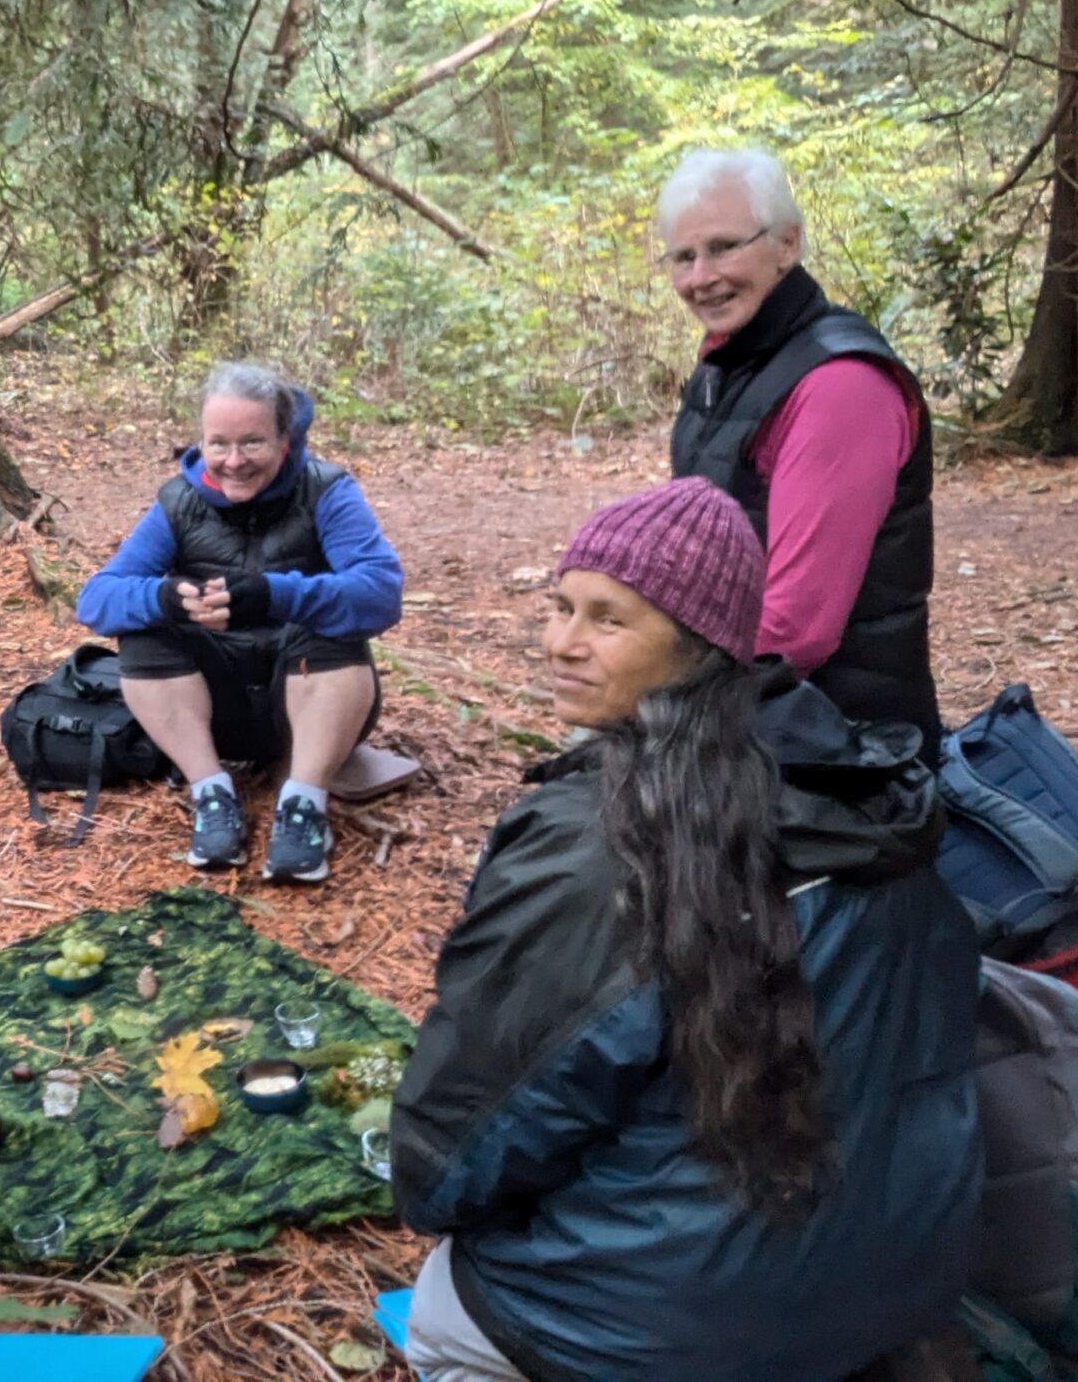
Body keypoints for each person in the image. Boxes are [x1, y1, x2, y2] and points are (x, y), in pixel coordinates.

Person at [390, 479, 981, 1382]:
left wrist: (432, 1190)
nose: (561, 643)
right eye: (559, 607)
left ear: (699, 643)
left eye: (607, 620)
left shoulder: (601, 845)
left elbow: (456, 1157)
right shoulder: (875, 800)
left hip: (665, 1330)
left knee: (440, 1305)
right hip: (895, 1288)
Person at [74, 362, 406, 882]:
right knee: (141, 632)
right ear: (201, 442)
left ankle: (304, 805)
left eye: (252, 443)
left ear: (284, 439)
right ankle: (212, 793)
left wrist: (276, 595)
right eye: (218, 444)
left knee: (335, 626)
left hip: (308, 705)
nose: (233, 461)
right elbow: (96, 599)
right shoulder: (178, 502)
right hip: (217, 710)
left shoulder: (327, 492)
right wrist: (166, 598)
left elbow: (381, 594)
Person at [659, 146, 939, 737]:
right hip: (749, 713)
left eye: (723, 247)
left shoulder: (839, 386)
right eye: (683, 257)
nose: (700, 278)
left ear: (788, 243)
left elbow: (793, 630)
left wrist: (654, 693)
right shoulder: (729, 367)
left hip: (841, 750)